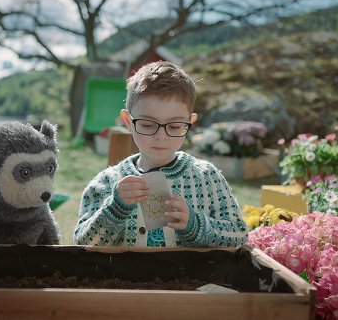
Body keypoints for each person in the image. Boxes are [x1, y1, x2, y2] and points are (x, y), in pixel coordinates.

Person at [74, 61, 248, 247]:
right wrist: (115, 208)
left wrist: (195, 225)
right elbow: (84, 243)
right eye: (148, 124)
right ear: (128, 122)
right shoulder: (107, 183)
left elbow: (238, 235)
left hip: (192, 277)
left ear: (190, 123)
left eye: (174, 126)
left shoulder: (207, 178)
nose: (161, 136)